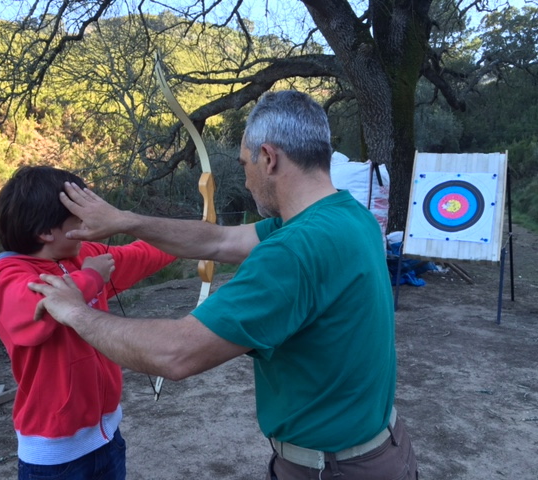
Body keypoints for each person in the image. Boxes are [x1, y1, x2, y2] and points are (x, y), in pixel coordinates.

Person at [28, 91, 418, 480]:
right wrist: (126, 220)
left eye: (245, 163)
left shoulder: (294, 251)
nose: (246, 179)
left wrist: (76, 311)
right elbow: (218, 241)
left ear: (269, 158)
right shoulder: (348, 215)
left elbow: (176, 353)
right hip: (381, 449)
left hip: (333, 470)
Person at [0, 166, 176, 480]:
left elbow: (141, 255)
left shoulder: (83, 255)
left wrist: (193, 241)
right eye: (79, 220)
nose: (90, 226)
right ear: (46, 232)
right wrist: (92, 277)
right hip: (53, 458)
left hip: (107, 439)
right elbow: (40, 311)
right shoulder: (8, 274)